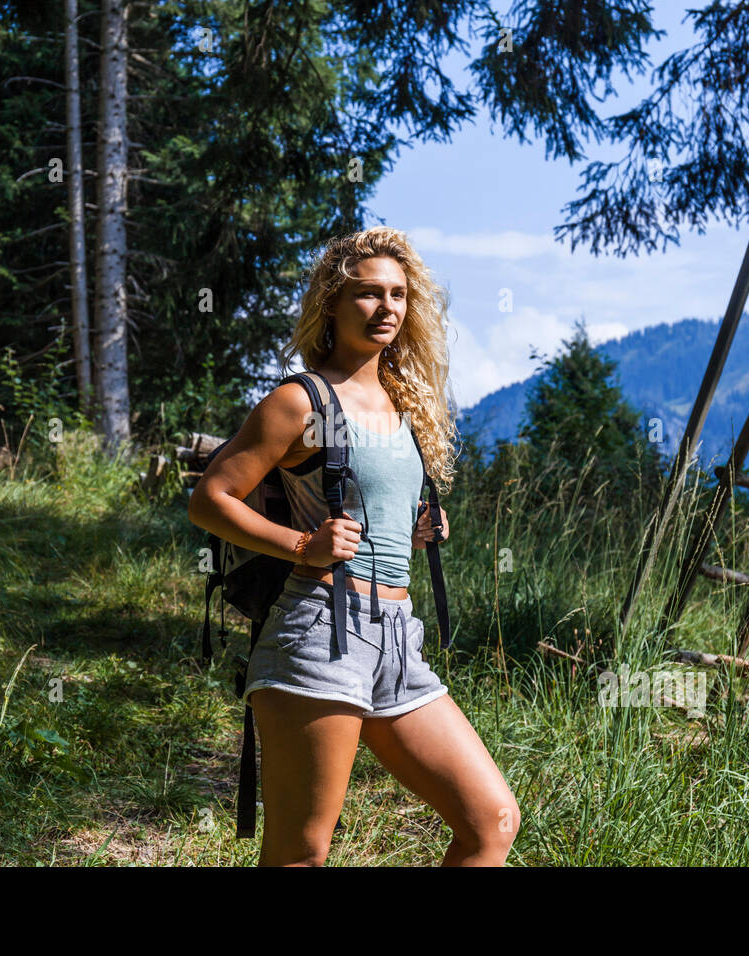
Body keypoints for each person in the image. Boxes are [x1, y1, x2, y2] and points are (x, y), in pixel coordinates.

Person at [189, 226, 519, 866]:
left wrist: (422, 524)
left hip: (399, 635)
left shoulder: (408, 402)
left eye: (398, 294)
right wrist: (302, 544)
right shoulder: (301, 400)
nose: (387, 307)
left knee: (490, 822)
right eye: (368, 294)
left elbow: (379, 501)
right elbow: (211, 499)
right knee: (302, 851)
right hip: (318, 629)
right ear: (332, 306)